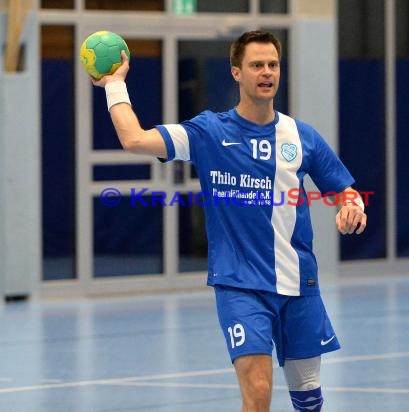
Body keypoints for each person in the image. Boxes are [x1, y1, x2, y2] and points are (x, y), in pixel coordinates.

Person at [92, 30, 367, 412]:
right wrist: (115, 86)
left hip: (299, 281)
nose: (267, 72)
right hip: (240, 284)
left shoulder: (301, 137)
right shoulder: (209, 132)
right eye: (257, 65)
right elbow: (134, 139)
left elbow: (344, 190)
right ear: (237, 72)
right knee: (257, 393)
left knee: (308, 399)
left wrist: (353, 207)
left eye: (273, 64)